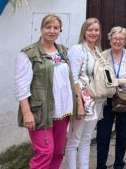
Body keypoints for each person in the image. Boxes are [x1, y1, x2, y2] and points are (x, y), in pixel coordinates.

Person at [15, 14, 77, 169]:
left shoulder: (62, 50)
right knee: (45, 152)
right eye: (48, 27)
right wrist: (27, 113)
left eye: (56, 28)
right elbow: (21, 86)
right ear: (41, 29)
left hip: (61, 110)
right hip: (40, 112)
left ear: (60, 30)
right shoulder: (28, 53)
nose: (52, 31)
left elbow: (69, 79)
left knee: (57, 152)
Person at [66, 18, 105, 169]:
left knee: (87, 138)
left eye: (96, 30)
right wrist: (79, 104)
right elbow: (73, 78)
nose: (93, 33)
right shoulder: (77, 49)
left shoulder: (97, 51)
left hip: (96, 100)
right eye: (90, 30)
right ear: (84, 31)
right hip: (83, 100)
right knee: (74, 140)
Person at [96, 27, 126, 169]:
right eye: (115, 38)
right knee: (103, 135)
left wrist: (117, 81)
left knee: (122, 135)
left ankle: (119, 164)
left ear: (125, 41)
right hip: (106, 100)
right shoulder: (102, 55)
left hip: (125, 99)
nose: (118, 41)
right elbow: (98, 77)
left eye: (121, 39)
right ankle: (101, 165)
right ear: (110, 39)